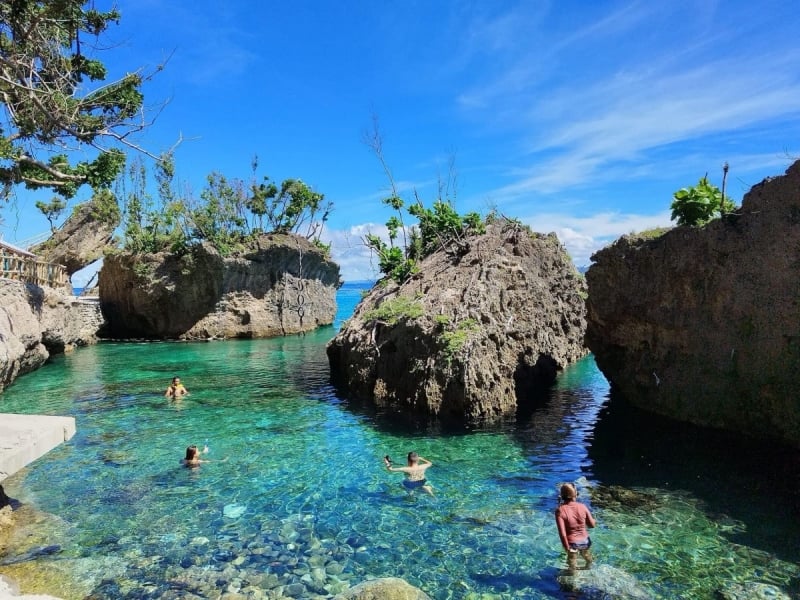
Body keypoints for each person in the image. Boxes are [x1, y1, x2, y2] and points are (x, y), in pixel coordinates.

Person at [554, 482, 596, 570]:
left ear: (561, 495)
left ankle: (574, 582)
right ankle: (589, 569)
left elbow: (562, 534)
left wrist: (567, 548)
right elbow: (592, 525)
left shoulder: (560, 511)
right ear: (575, 494)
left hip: (572, 544)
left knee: (572, 564)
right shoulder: (583, 506)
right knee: (588, 558)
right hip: (585, 541)